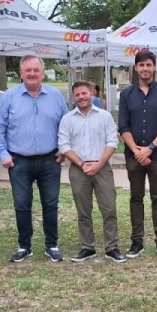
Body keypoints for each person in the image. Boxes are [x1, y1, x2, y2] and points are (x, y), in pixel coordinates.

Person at [0, 55, 68, 262]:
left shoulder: (56, 96)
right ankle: (24, 246)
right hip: (19, 160)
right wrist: (3, 153)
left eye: (36, 70)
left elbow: (66, 125)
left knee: (50, 204)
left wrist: (63, 149)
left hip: (50, 159)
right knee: (22, 204)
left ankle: (52, 245)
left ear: (42, 73)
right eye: (28, 70)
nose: (32, 74)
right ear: (21, 73)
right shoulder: (9, 96)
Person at [58, 81, 125, 263]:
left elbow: (112, 142)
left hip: (102, 168)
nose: (81, 97)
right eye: (77, 94)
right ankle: (87, 247)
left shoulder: (104, 117)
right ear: (74, 97)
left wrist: (99, 163)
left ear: (92, 94)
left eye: (84, 93)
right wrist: (81, 163)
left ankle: (112, 247)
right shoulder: (68, 119)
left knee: (109, 208)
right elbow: (64, 145)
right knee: (83, 211)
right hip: (78, 169)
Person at [118, 50, 157, 259]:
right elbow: (123, 125)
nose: (145, 69)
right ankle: (137, 242)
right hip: (133, 155)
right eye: (141, 65)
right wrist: (136, 150)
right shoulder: (126, 94)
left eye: (148, 65)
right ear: (136, 68)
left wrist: (150, 148)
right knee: (136, 197)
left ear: (154, 67)